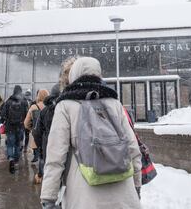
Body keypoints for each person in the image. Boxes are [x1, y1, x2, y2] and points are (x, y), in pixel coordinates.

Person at [40, 57, 142, 209]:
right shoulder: (114, 103)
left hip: (84, 196)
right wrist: (136, 184)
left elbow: (56, 156)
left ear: (73, 75)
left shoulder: (65, 105)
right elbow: (133, 148)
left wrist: (48, 197)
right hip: (123, 195)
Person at [33, 57, 75, 185]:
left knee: (52, 176)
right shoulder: (71, 107)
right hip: (70, 154)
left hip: (50, 149)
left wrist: (43, 144)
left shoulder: (46, 111)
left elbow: (37, 133)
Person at [1, 85, 28, 174]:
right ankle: (16, 160)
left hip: (10, 127)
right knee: (17, 144)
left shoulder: (8, 101)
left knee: (10, 144)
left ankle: (11, 159)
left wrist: (4, 121)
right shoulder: (24, 101)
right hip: (20, 126)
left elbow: (3, 114)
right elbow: (26, 114)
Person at [24, 89, 49, 163]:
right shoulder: (50, 106)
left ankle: (40, 171)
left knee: (39, 151)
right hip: (48, 133)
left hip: (36, 131)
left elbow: (26, 123)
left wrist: (31, 128)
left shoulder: (33, 107)